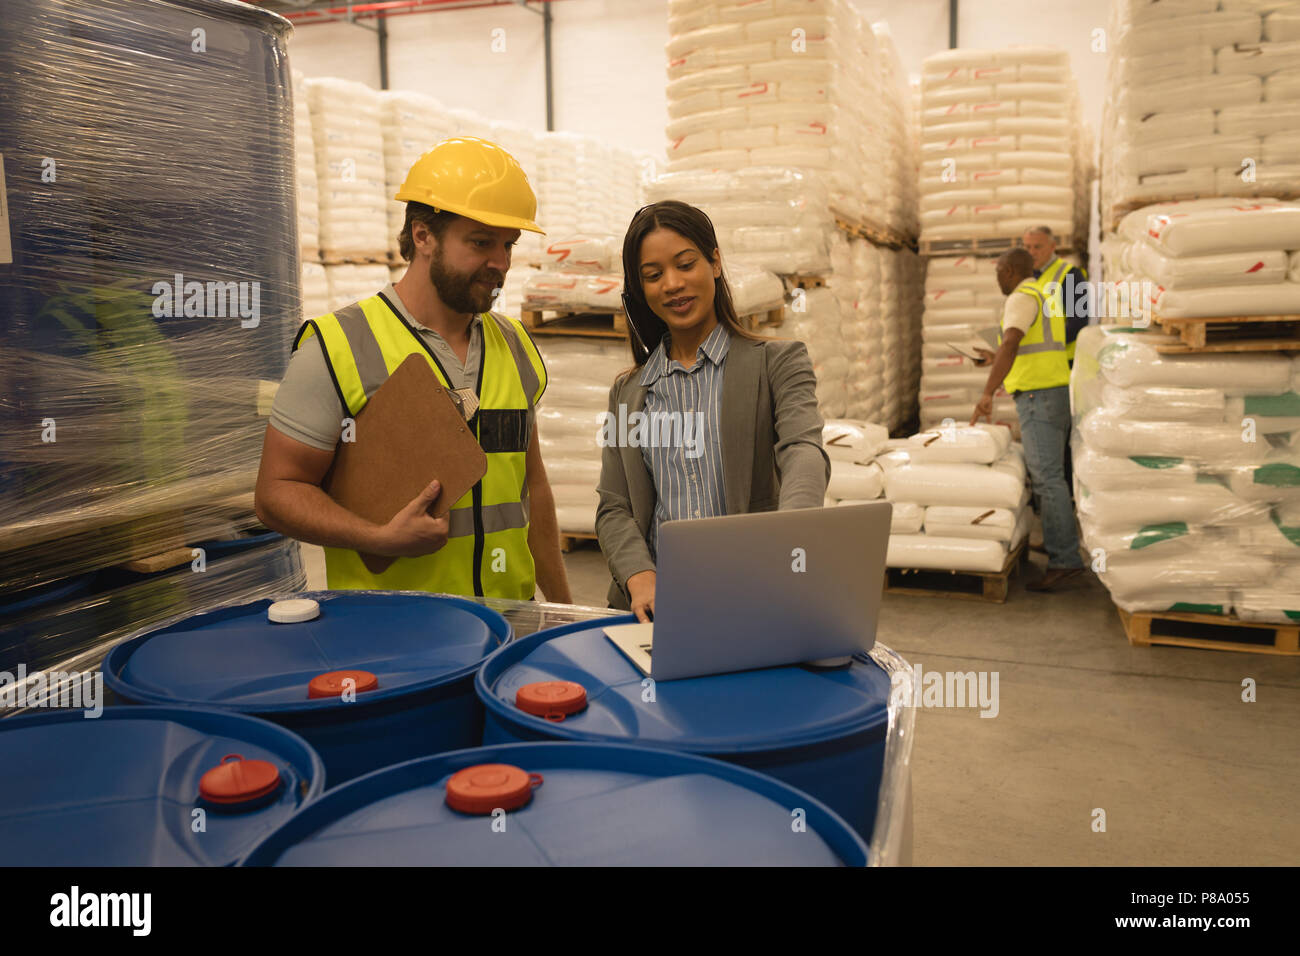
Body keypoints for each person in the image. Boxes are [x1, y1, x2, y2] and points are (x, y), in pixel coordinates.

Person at [255, 137, 572, 603]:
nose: (500, 264)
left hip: (510, 630)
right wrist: (374, 537)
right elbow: (277, 491)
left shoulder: (515, 345)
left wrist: (564, 611)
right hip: (398, 638)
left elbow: (534, 488)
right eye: (481, 243)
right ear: (423, 236)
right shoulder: (339, 345)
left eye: (509, 244)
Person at [596, 201, 830, 621]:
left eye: (686, 264)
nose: (672, 284)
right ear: (641, 289)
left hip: (757, 592)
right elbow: (614, 506)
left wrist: (788, 535)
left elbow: (804, 451)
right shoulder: (628, 393)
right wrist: (640, 575)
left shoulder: (777, 363)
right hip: (662, 608)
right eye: (653, 275)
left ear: (715, 262)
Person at [970, 248, 1084, 592]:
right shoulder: (1043, 293)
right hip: (1052, 392)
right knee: (1051, 477)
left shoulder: (1021, 297)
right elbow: (1025, 346)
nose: (996, 279)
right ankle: (1057, 544)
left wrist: (988, 392)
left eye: (998, 272)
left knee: (1048, 479)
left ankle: (1065, 560)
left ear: (1009, 271)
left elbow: (1012, 342)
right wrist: (994, 358)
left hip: (1040, 397)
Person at [1022, 225, 1090, 367]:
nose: (1032, 252)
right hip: (1035, 363)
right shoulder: (1025, 277)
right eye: (1027, 247)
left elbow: (1078, 321)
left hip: (1063, 363)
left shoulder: (1069, 275)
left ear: (1052, 246)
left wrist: (1044, 345)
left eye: (1037, 247)